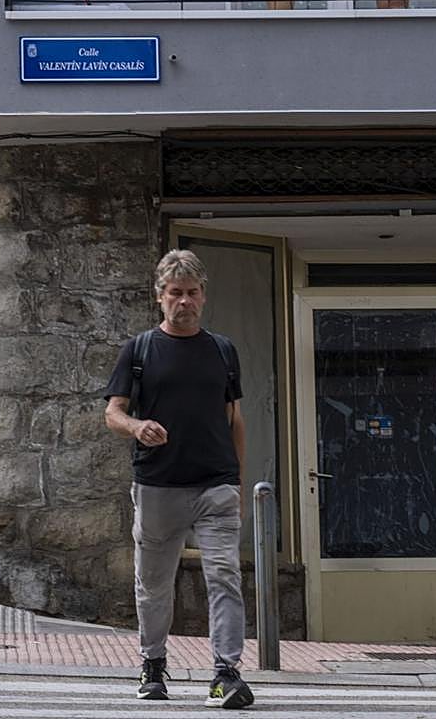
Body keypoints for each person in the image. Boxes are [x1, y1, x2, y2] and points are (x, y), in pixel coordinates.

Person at [103, 249, 253, 709]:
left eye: (191, 293)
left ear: (203, 296)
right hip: (158, 485)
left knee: (225, 576)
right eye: (175, 293)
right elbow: (112, 412)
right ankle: (153, 665)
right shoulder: (141, 349)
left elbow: (235, 419)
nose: (183, 301)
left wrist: (239, 483)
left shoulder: (223, 350)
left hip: (215, 485)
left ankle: (226, 673)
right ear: (160, 297)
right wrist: (137, 427)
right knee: (154, 582)